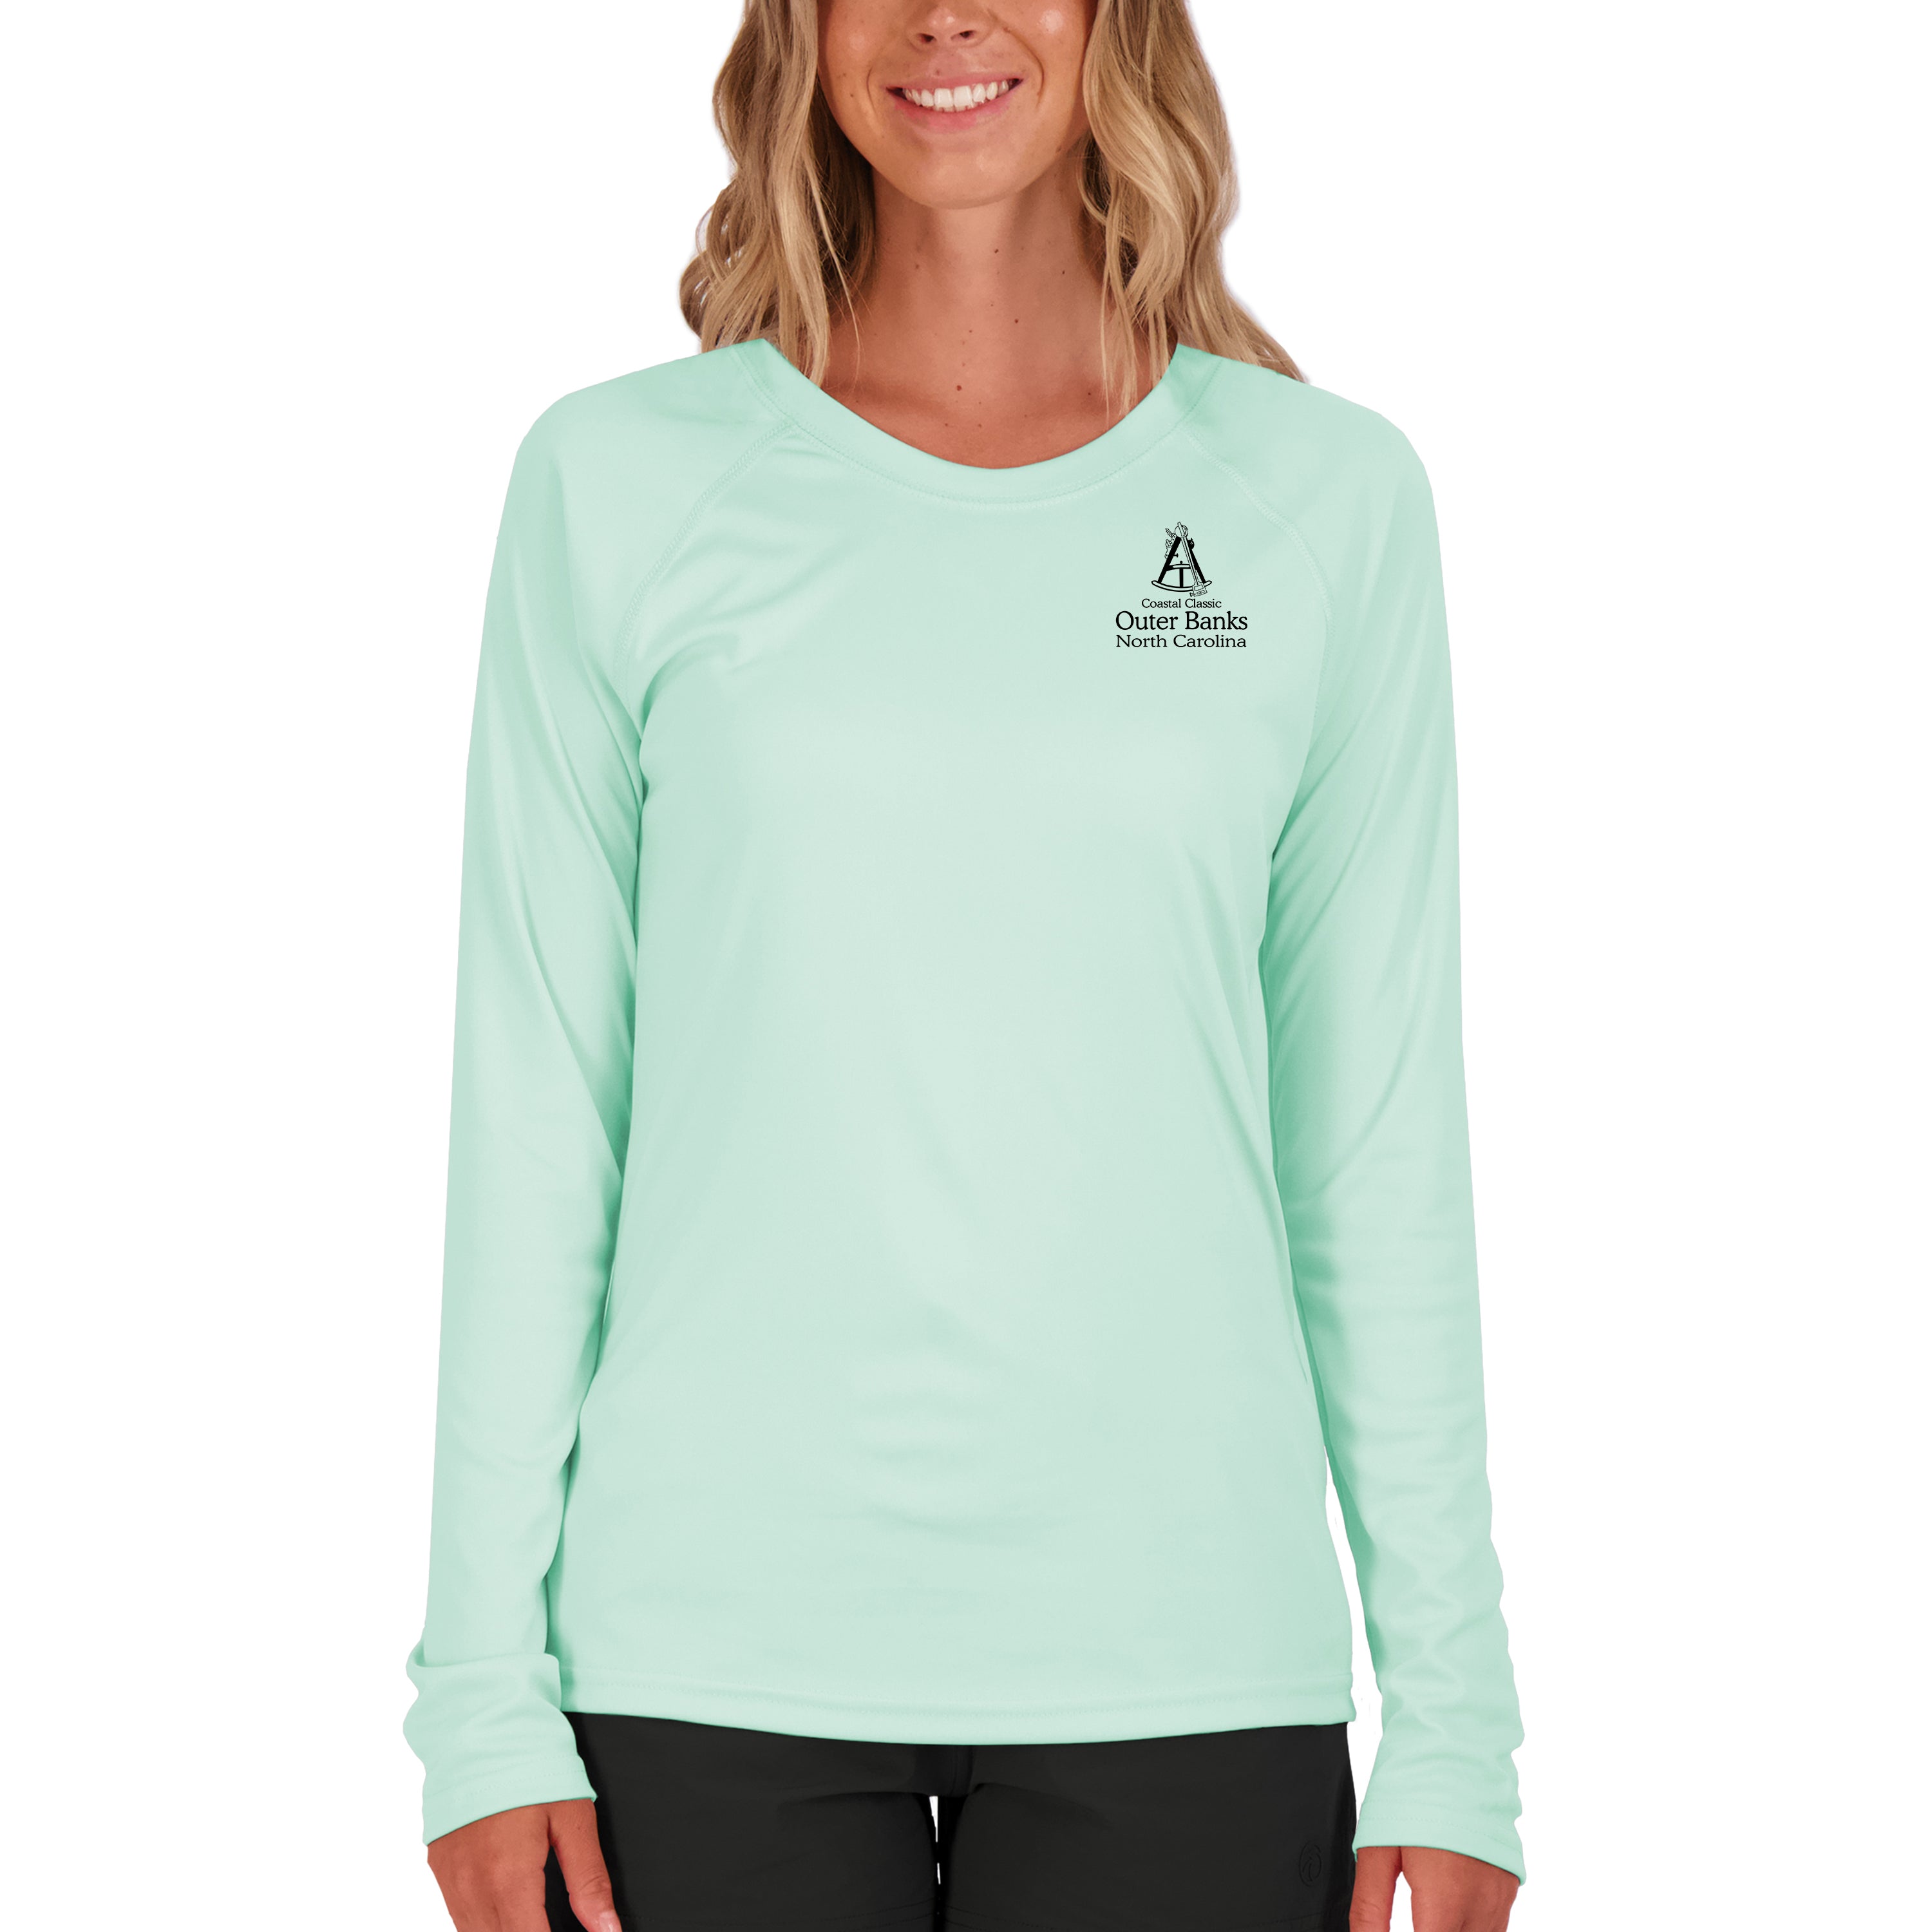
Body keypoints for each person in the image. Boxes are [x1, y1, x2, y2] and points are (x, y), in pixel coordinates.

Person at [402, 3, 1527, 1929]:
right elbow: (538, 1115)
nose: (945, 14)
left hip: (1183, 1652)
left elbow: (1374, 1142)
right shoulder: (620, 484)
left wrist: (1455, 1717)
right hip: (703, 1654)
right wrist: (482, 1703)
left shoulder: (1324, 502)